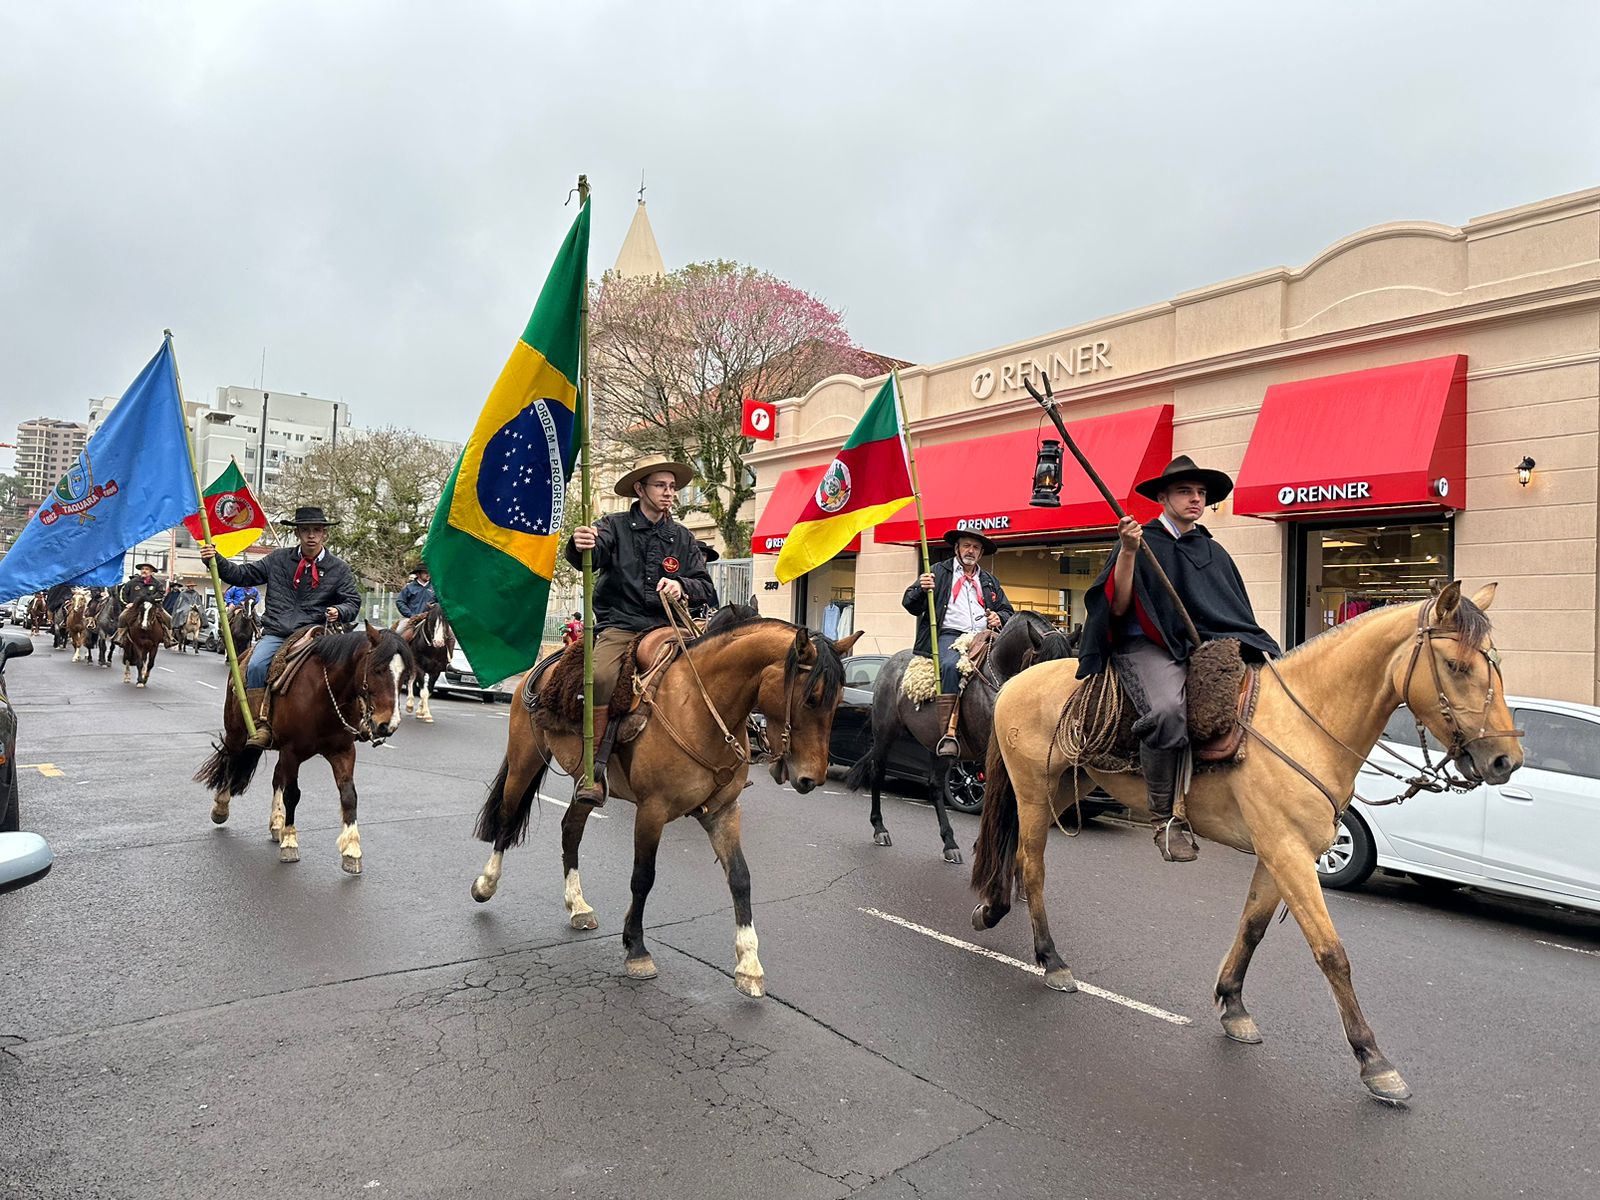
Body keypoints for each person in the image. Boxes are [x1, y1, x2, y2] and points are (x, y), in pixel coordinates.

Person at [1077, 455, 1281, 863]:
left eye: (1201, 493)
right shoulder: (1142, 541)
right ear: (1164, 497)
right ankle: (1165, 818)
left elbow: (1230, 609)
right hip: (1148, 646)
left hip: (1203, 648)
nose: (1195, 499)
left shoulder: (1213, 550)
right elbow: (1116, 607)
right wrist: (1130, 553)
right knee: (1170, 710)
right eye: (1186, 492)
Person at [565, 456, 717, 804]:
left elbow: (705, 586)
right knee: (601, 676)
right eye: (661, 486)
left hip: (670, 627)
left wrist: (682, 585)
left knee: (714, 670)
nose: (669, 493)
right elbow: (589, 553)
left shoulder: (682, 537)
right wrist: (580, 543)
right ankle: (593, 770)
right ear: (640, 489)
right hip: (621, 625)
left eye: (672, 487)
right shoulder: (613, 526)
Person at [199, 506, 362, 749]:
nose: (311, 535)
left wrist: (340, 611)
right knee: (255, 665)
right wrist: (216, 559)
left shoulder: (339, 568)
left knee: (349, 667)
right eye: (305, 530)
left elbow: (352, 601)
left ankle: (353, 721)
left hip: (316, 632)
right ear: (297, 532)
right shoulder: (278, 559)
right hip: (277, 631)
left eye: (316, 530)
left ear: (324, 535)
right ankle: (259, 725)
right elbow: (242, 575)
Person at [902, 529, 1015, 756]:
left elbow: (1006, 610)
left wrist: (999, 617)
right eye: (966, 546)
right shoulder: (937, 572)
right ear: (957, 548)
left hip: (984, 636)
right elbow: (911, 605)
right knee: (951, 667)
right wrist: (919, 590)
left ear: (981, 552)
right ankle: (948, 732)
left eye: (975, 547)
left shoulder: (989, 581)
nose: (970, 551)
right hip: (950, 635)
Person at [115, 562, 171, 645]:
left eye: (147, 569)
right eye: (142, 569)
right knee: (122, 617)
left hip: (153, 607)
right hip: (134, 608)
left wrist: (150, 599)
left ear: (152, 572)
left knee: (169, 618)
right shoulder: (132, 582)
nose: (144, 571)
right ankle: (120, 637)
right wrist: (127, 603)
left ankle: (169, 638)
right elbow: (122, 594)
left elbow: (161, 595)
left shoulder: (157, 584)